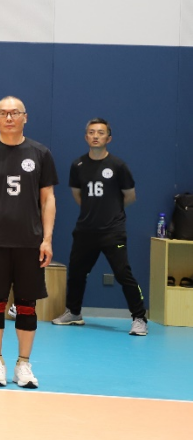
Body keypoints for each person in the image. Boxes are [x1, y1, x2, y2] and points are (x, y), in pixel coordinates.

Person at [0, 96, 57, 389]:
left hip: (30, 243)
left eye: (14, 113)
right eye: (3, 113)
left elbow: (48, 199)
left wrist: (46, 239)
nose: (9, 118)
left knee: (26, 306)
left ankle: (23, 364)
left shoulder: (40, 153)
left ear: (25, 117)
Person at [53, 118, 147, 336]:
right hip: (85, 230)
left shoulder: (118, 166)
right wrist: (93, 212)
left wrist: (111, 212)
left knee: (123, 274)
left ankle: (139, 318)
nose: (96, 136)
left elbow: (130, 196)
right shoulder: (77, 165)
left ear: (109, 138)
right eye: (92, 132)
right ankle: (74, 313)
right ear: (86, 137)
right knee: (77, 273)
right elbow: (78, 195)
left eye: (101, 132)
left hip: (112, 231)